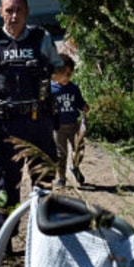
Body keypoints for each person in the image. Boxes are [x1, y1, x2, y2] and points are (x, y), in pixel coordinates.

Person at [0, 0, 64, 234]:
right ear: (1, 12)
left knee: (43, 182)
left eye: (19, 10)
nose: (14, 16)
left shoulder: (41, 39)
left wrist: (50, 73)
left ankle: (44, 237)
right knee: (6, 186)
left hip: (39, 122)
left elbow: (61, 74)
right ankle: (5, 240)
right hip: (8, 126)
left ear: (27, 12)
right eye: (9, 10)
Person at [50, 54, 89, 188]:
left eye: (70, 74)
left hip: (74, 125)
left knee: (80, 149)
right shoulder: (51, 89)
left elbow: (79, 101)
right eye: (65, 74)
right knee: (61, 155)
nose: (68, 77)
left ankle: (75, 167)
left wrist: (83, 106)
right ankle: (61, 178)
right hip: (58, 127)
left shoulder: (73, 88)